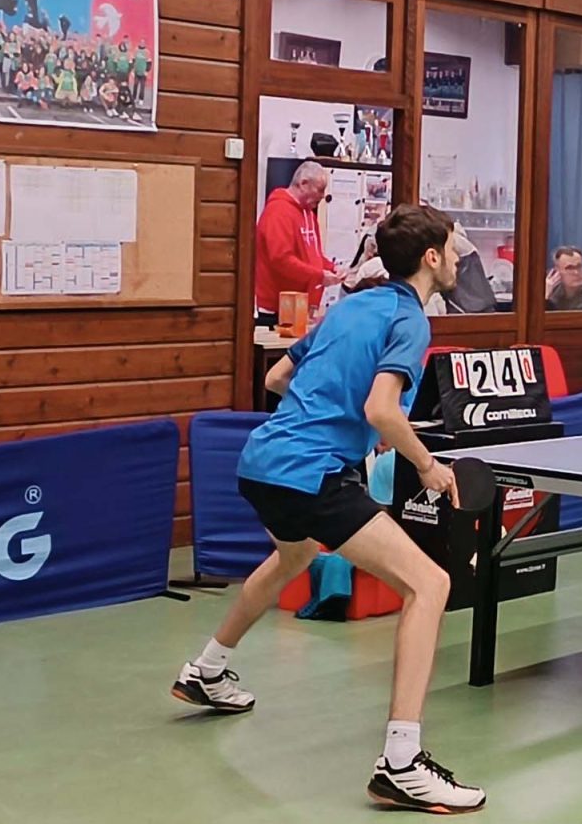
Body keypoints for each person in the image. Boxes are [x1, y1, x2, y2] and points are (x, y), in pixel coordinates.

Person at [169, 204, 487, 814]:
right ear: (430, 258)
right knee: (430, 584)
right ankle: (402, 762)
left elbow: (278, 377)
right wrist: (426, 464)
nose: (456, 260)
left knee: (292, 558)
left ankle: (207, 669)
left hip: (262, 462)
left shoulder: (352, 305)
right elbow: (382, 411)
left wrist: (336, 421)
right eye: (451, 249)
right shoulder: (410, 320)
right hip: (311, 473)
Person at [254, 161, 344, 327]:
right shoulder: (278, 212)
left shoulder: (309, 214)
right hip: (276, 309)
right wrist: (320, 276)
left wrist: (332, 268)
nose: (323, 196)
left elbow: (312, 256)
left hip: (300, 308)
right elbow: (281, 259)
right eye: (320, 189)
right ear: (303, 184)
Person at [545, 245, 582, 311]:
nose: (576, 272)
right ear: (557, 271)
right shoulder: (553, 292)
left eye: (579, 266)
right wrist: (545, 297)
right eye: (569, 268)